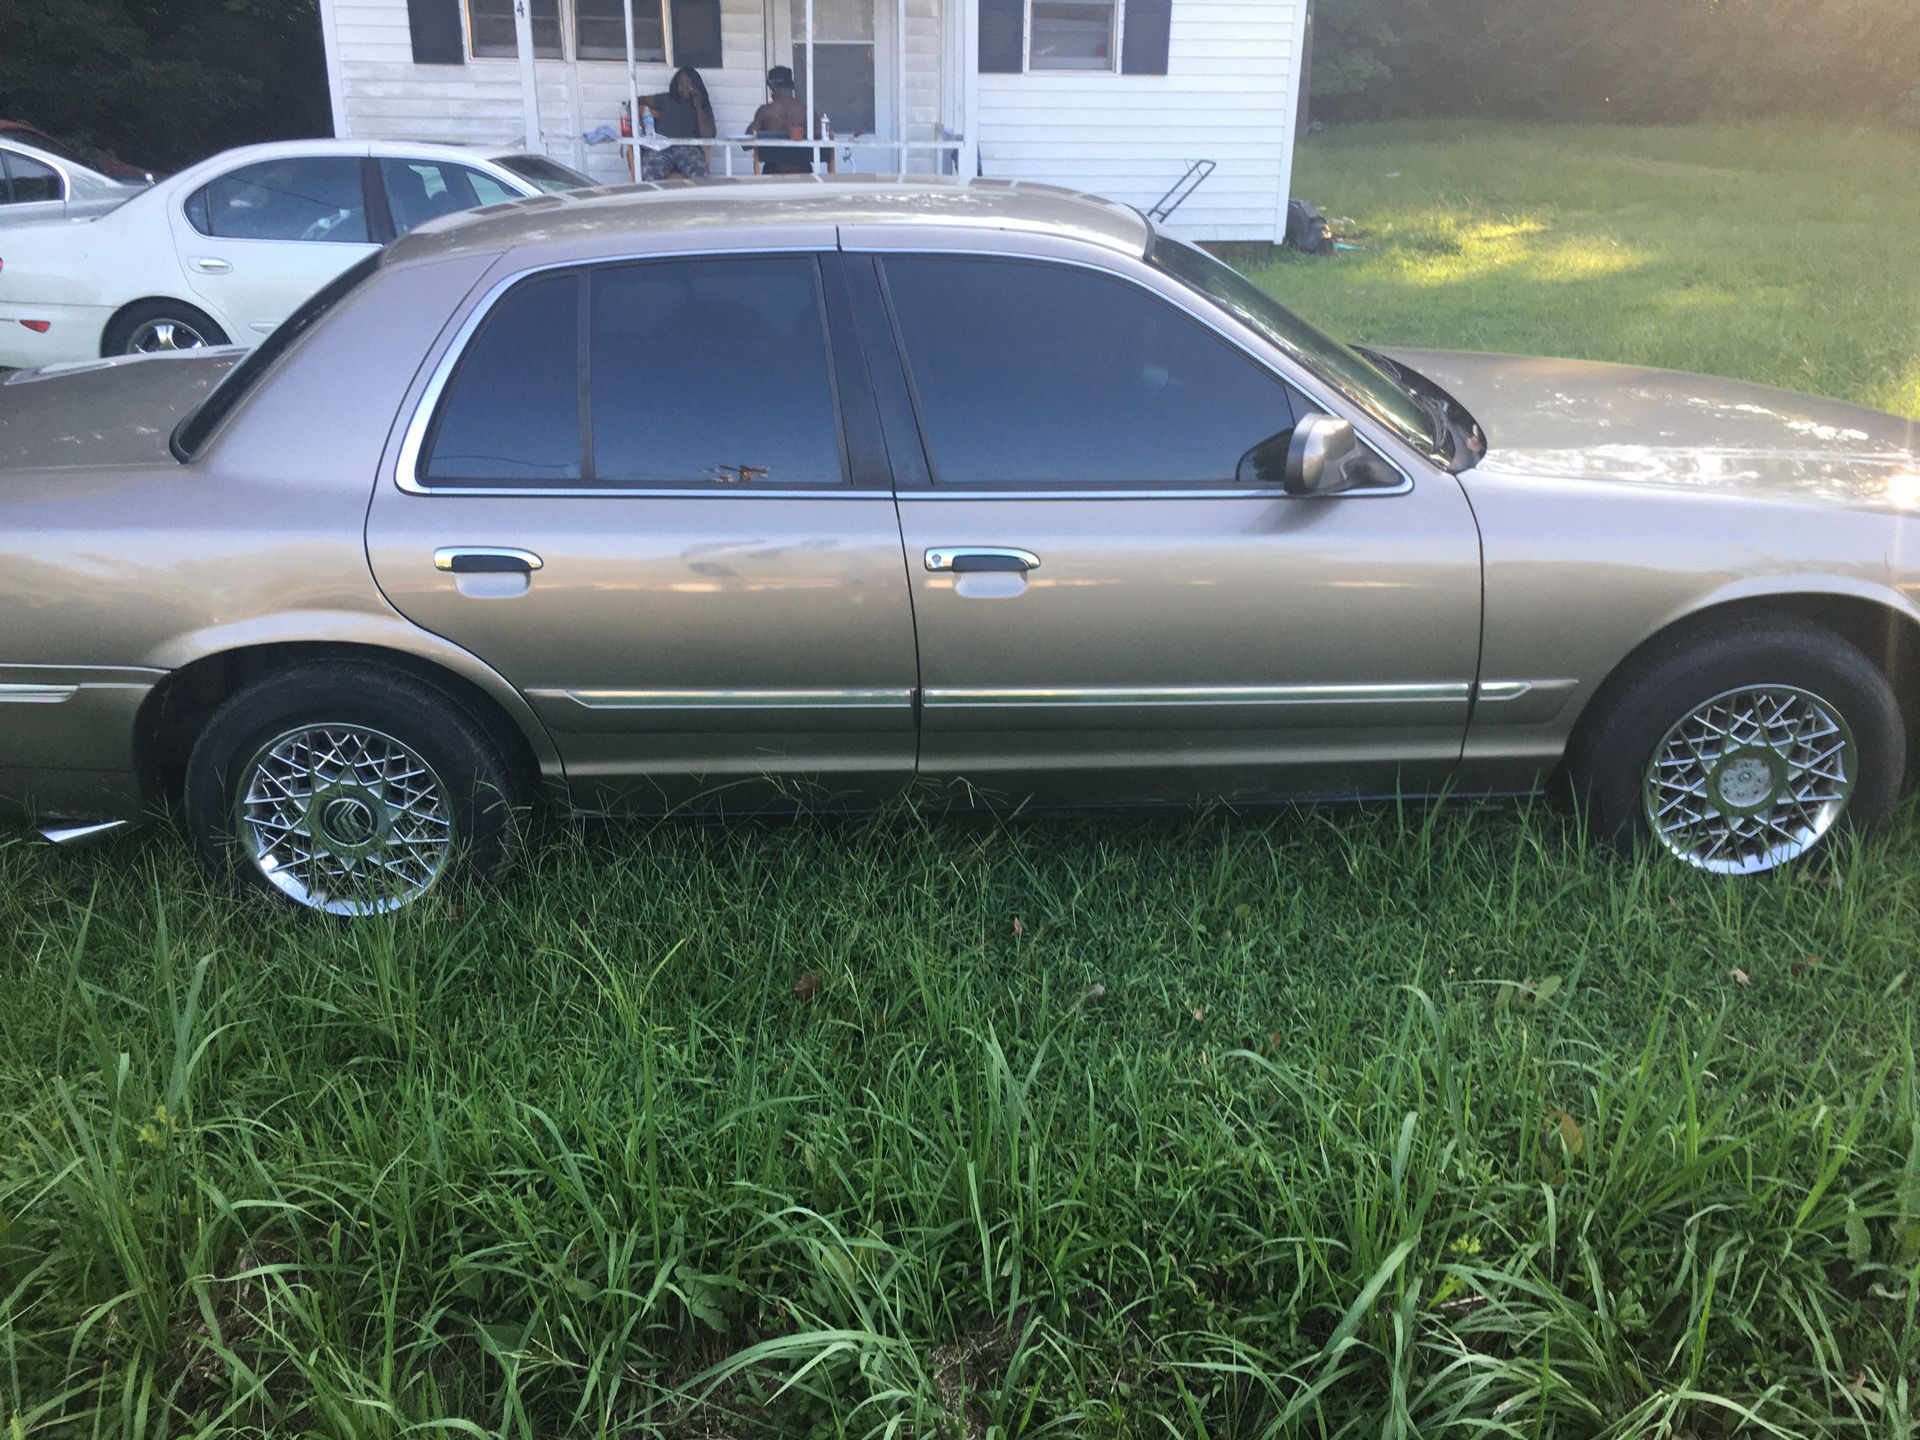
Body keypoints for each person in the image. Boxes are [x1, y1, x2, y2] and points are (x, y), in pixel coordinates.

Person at [636, 67, 716, 180]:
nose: (685, 86)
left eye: (689, 82)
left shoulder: (703, 105)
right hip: (661, 148)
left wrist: (698, 106)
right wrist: (652, 115)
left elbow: (708, 135)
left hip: (689, 149)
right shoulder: (666, 99)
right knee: (648, 173)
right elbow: (636, 101)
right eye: (681, 82)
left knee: (700, 175)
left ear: (696, 85)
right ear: (676, 85)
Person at [750, 66, 815, 175]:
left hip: (772, 174)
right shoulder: (807, 112)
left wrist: (758, 121)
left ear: (774, 87)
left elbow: (746, 143)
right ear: (792, 86)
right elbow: (825, 143)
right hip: (804, 174)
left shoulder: (764, 112)